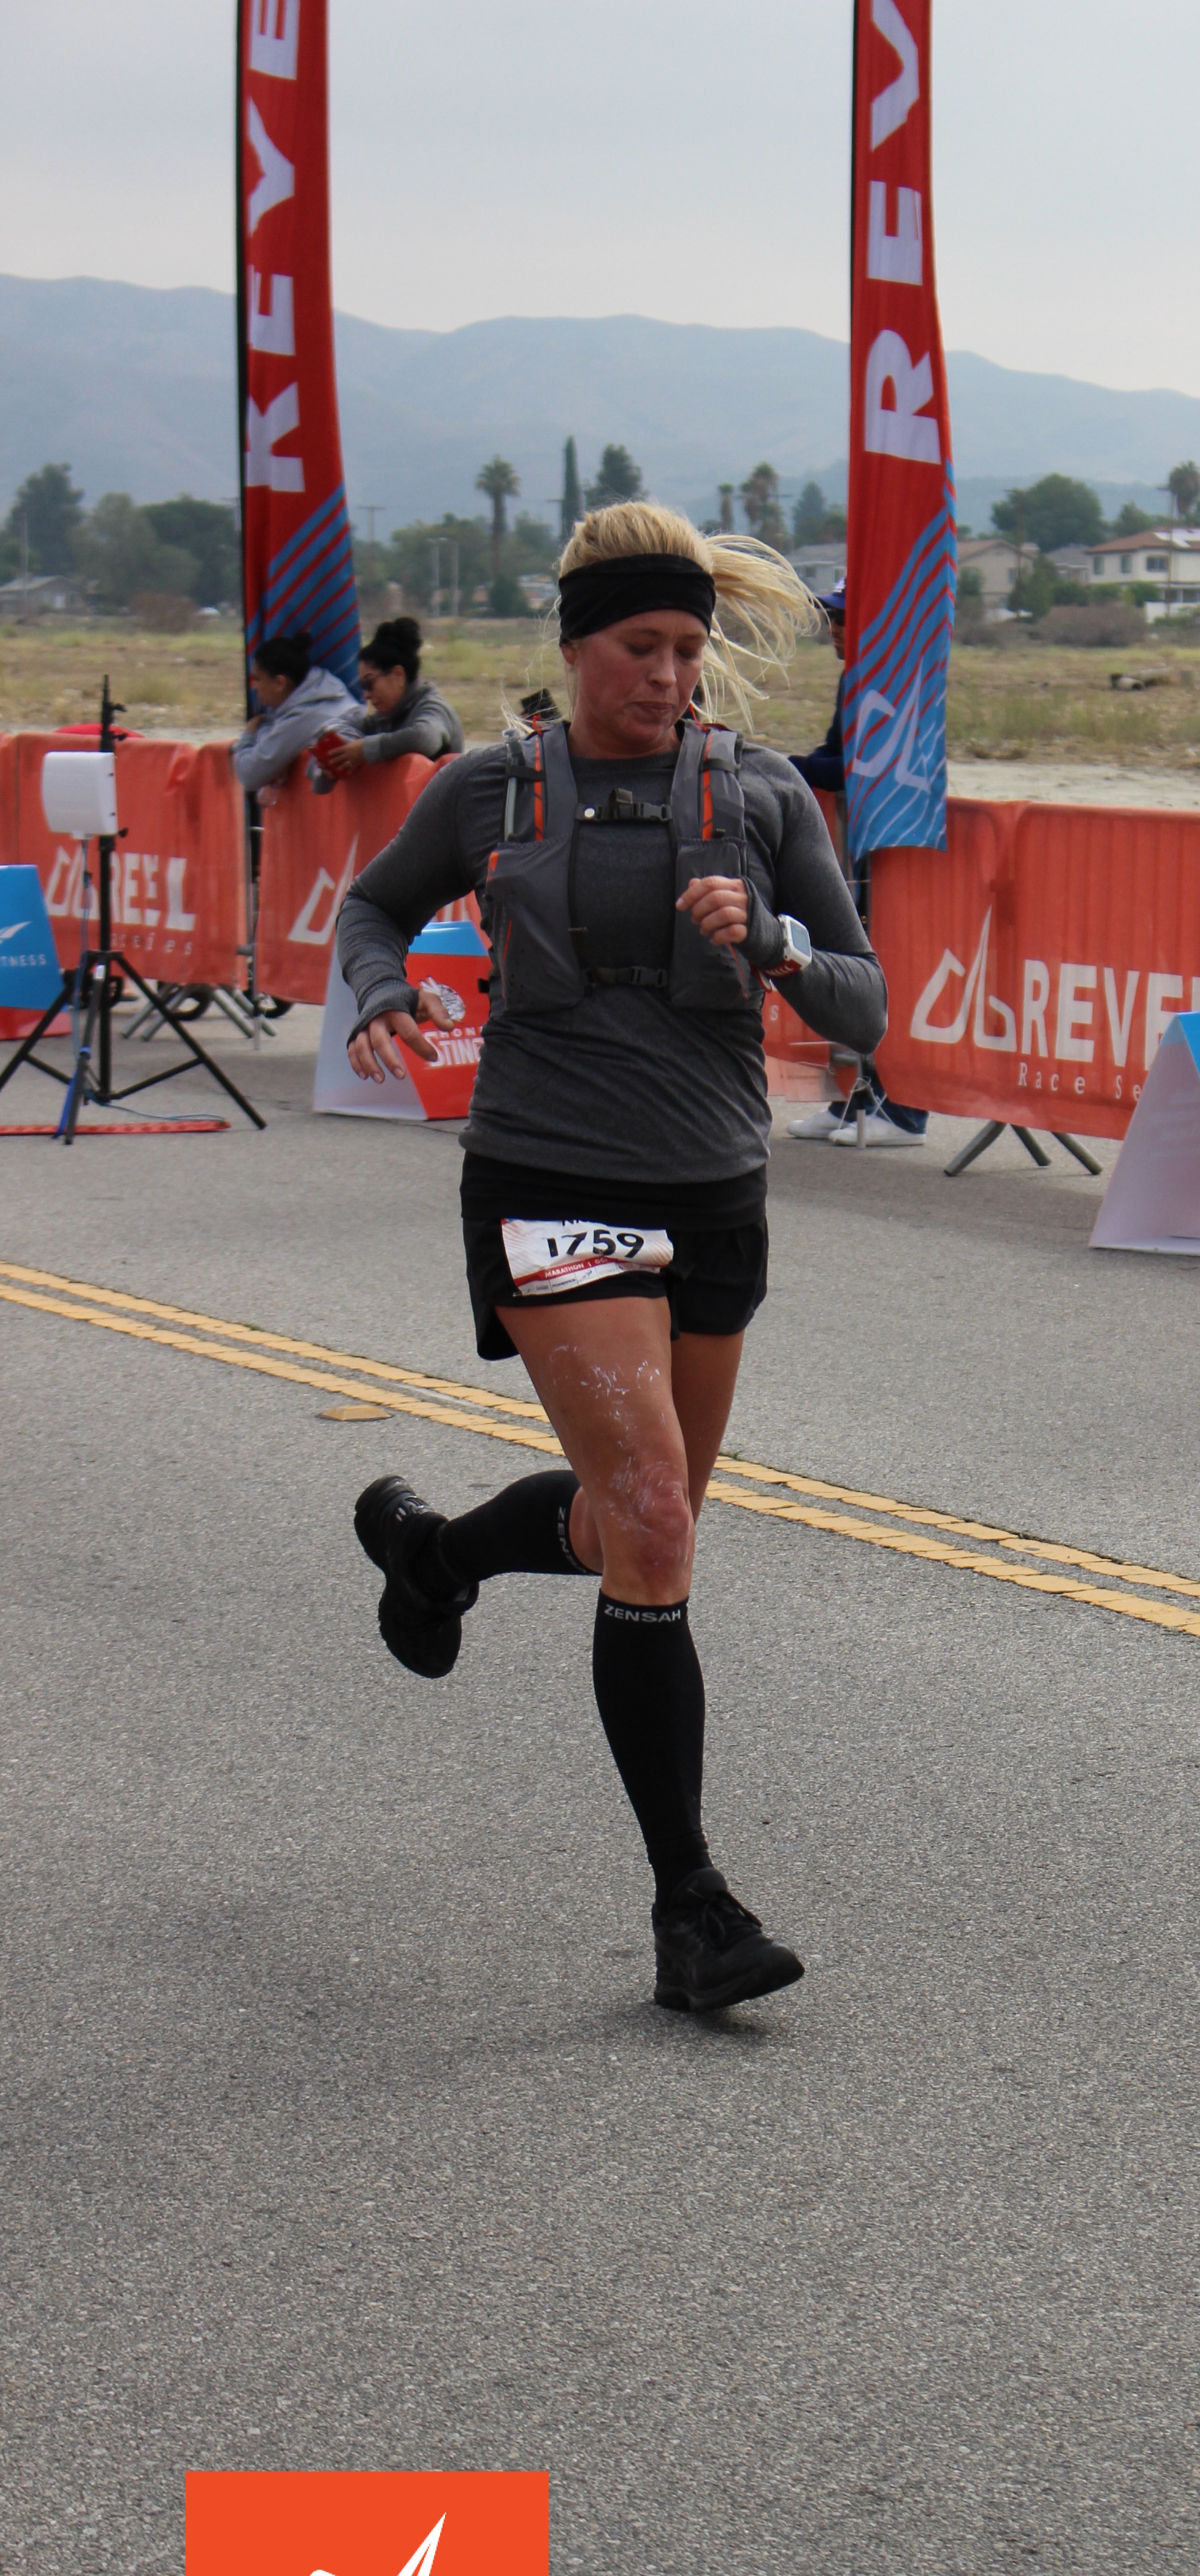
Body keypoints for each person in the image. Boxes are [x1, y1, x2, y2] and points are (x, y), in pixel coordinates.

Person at [335, 501, 887, 2015]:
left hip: (711, 1190)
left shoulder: (760, 794)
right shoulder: (491, 787)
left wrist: (773, 943)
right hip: (546, 1176)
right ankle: (689, 1908)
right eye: (640, 646)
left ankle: (437, 1555)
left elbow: (863, 1005)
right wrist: (380, 988)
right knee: (649, 1510)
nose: (668, 675)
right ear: (576, 646)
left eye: (688, 648)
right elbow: (373, 905)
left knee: (642, 1528)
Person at [784, 583, 929, 1149]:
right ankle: (853, 1099)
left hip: (899, 843)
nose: (834, 630)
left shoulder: (891, 679)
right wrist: (785, 764)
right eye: (831, 618)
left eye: (844, 619)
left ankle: (906, 1110)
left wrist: (783, 769)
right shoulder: (855, 678)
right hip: (861, 843)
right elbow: (831, 752)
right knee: (851, 961)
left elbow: (859, 767)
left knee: (891, 968)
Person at [318, 616, 464, 778]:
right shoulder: (385, 719)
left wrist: (365, 750)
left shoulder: (434, 708)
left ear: (398, 675)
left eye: (369, 683)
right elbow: (344, 724)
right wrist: (338, 754)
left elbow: (424, 738)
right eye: (362, 686)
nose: (366, 695)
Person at [232, 633, 363, 803]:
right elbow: (271, 731)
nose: (254, 686)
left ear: (280, 683)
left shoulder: (305, 715)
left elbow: (250, 774)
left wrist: (248, 737)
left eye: (258, 679)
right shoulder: (319, 689)